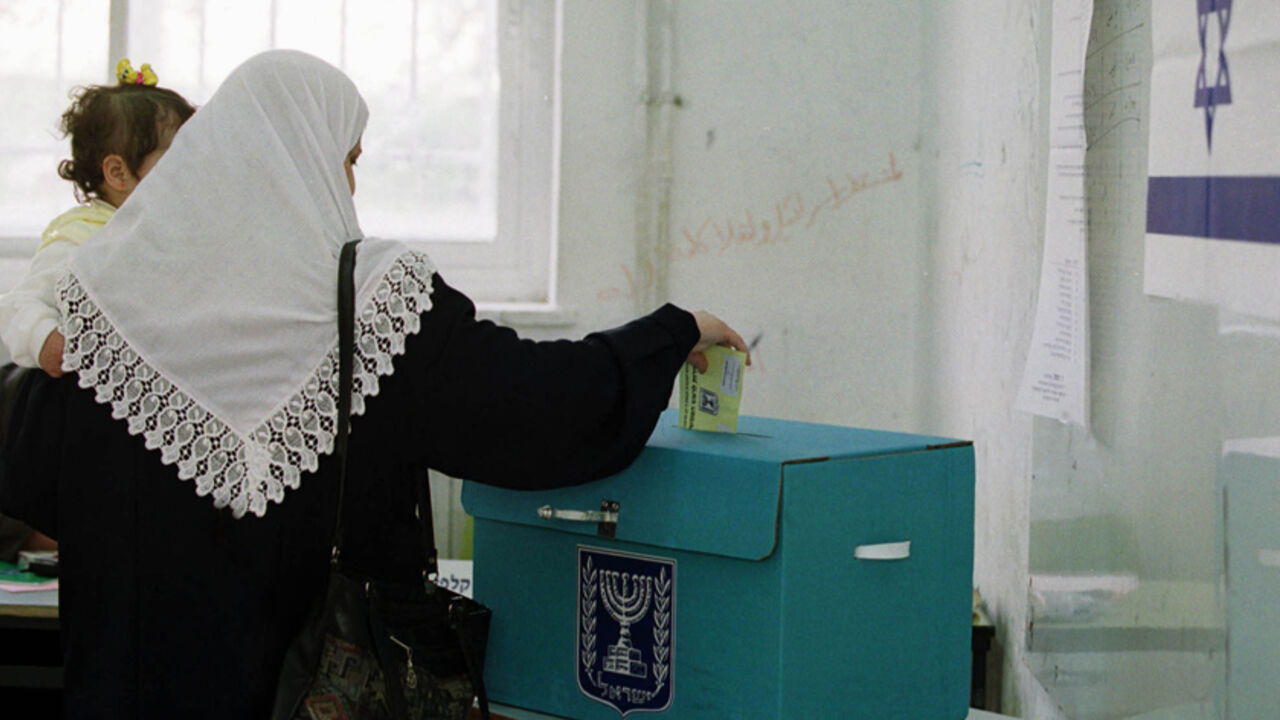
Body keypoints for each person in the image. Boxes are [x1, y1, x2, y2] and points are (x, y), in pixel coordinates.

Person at [0, 49, 747, 719]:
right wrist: (673, 332)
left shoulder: (100, 310)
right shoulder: (368, 308)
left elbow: (27, 465)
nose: (351, 180)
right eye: (347, 156)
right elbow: (538, 411)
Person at [0, 71, 195, 377]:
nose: (190, 171)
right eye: (176, 159)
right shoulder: (82, 238)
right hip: (82, 393)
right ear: (118, 172)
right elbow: (20, 305)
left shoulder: (175, 230)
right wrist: (47, 340)